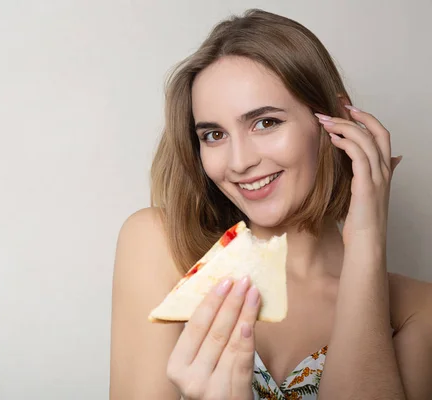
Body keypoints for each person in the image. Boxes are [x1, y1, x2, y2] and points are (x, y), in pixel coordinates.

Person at [109, 8, 432, 400]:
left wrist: (367, 239)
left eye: (266, 122)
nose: (240, 161)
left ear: (335, 120)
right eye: (213, 134)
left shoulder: (417, 310)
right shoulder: (163, 247)